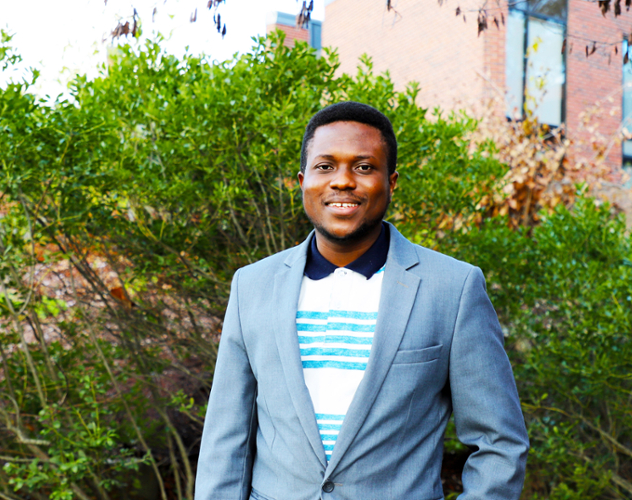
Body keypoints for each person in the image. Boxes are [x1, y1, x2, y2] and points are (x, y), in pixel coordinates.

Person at [194, 101, 528, 500]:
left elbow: (499, 444)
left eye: (364, 167)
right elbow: (224, 442)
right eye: (325, 166)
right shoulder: (252, 286)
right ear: (302, 180)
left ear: (392, 182)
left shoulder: (453, 289)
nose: (343, 181)